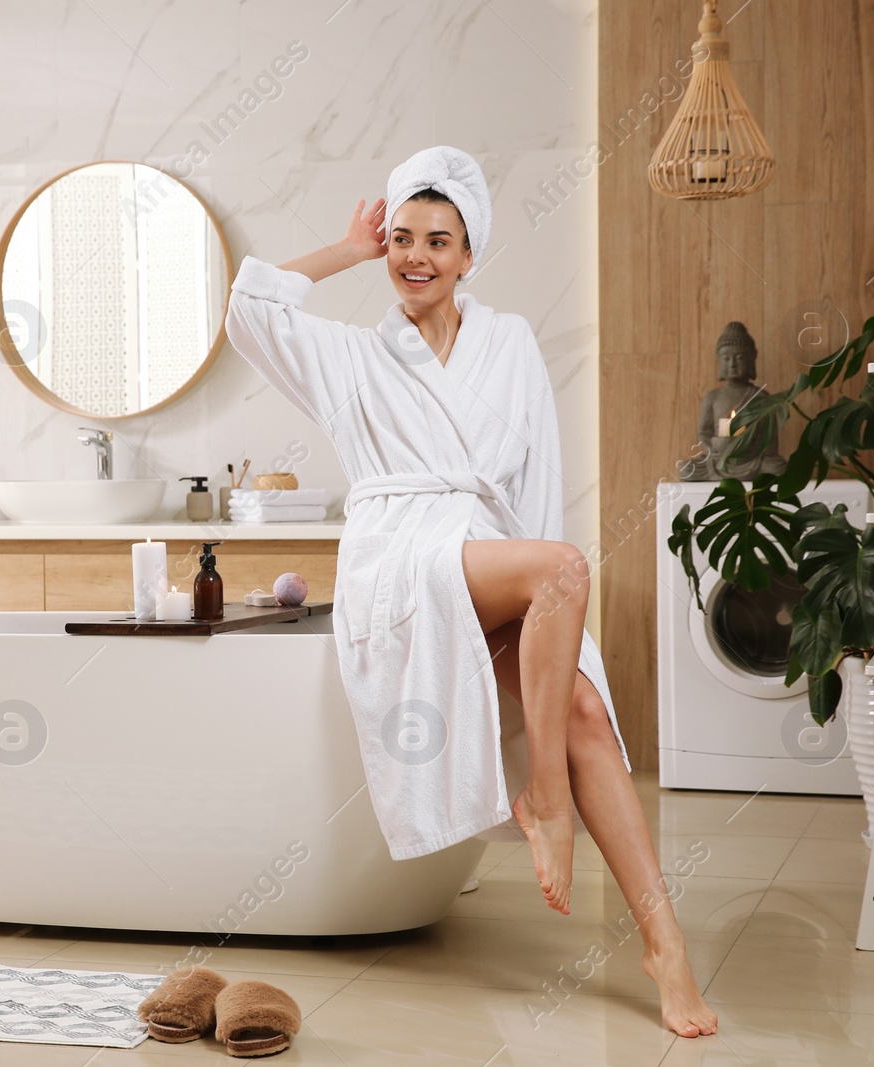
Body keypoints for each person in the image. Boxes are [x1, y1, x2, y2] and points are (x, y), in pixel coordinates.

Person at [223, 146, 718, 1038]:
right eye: (403, 238)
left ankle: (665, 945)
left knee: (582, 713)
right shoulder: (352, 359)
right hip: (402, 554)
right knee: (566, 566)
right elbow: (248, 308)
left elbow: (537, 484)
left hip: (488, 549)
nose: (416, 255)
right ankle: (548, 804)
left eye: (438, 241)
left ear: (468, 255)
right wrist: (344, 247)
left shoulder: (510, 343)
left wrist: (542, 611)